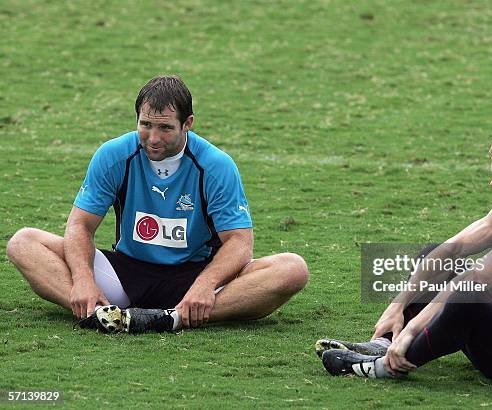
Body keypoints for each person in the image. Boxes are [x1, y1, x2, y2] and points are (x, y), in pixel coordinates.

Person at [6, 75, 309, 333]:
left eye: (165, 128)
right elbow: (80, 225)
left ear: (187, 123)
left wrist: (205, 285)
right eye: (145, 125)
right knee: (23, 243)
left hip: (194, 276)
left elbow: (240, 243)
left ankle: (172, 318)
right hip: (124, 274)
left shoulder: (216, 165)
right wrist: (83, 280)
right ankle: (99, 312)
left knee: (292, 269)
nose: (152, 138)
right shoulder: (113, 155)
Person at [316, 129, 492, 380]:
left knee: (470, 294)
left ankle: (386, 366)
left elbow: (476, 279)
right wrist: (397, 305)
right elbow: (453, 248)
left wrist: (414, 328)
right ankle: (386, 342)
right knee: (436, 258)